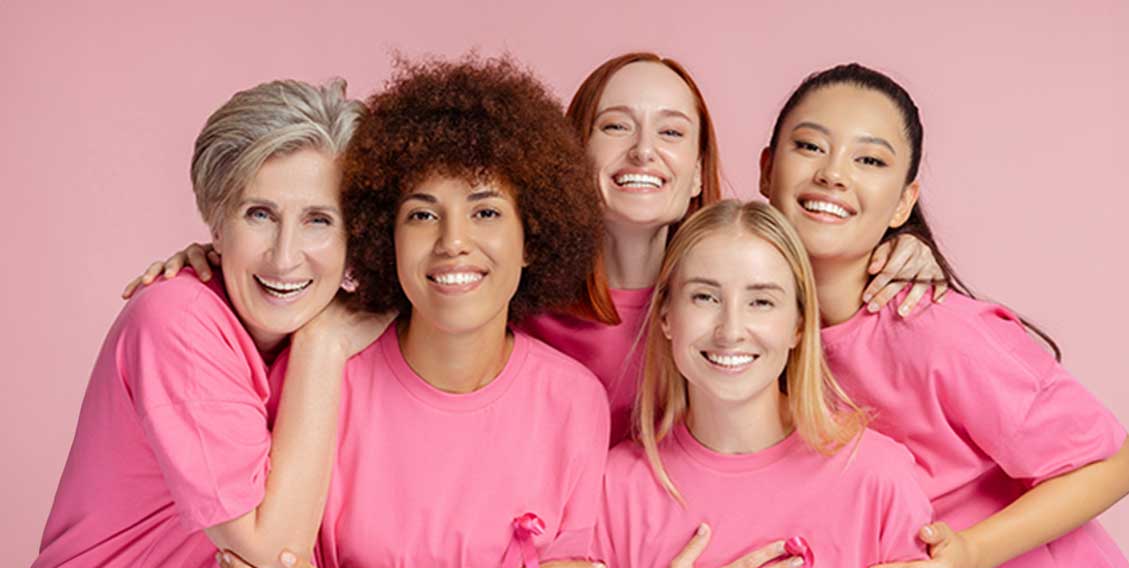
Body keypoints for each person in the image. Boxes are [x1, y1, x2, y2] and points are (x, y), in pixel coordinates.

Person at [129, 53, 949, 447]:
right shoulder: (504, 296)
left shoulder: (730, 289)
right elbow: (344, 292)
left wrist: (902, 247)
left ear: (702, 167)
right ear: (565, 157)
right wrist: (216, 262)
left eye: (672, 132)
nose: (641, 153)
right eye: (613, 127)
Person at [218, 56, 621, 568]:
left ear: (532, 238)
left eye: (484, 211)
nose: (453, 241)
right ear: (384, 235)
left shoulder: (573, 401)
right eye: (421, 215)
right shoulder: (321, 371)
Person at [758, 62, 1129, 568]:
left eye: (869, 160)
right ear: (767, 168)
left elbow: (1118, 463)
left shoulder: (934, 328)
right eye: (810, 146)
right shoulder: (750, 338)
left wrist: (970, 554)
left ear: (903, 202)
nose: (834, 174)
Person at [6, 79, 391, 568]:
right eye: (259, 214)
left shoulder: (335, 323)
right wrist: (322, 347)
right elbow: (273, 563)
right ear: (217, 222)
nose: (285, 257)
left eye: (318, 220)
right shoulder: (178, 322)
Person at [595, 199, 945, 568]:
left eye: (761, 302)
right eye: (705, 296)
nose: (731, 330)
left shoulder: (878, 478)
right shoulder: (614, 486)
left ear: (799, 324)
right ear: (666, 315)